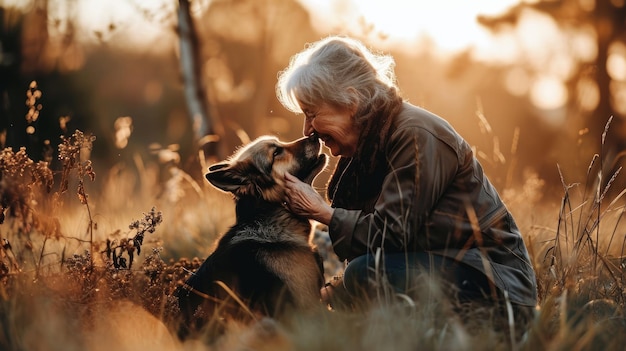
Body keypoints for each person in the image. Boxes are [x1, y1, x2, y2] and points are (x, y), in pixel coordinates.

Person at [276, 35, 537, 328]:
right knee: (348, 288)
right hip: (449, 268)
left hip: (498, 289)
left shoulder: (415, 135)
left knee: (364, 275)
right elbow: (395, 251)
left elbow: (391, 236)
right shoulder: (370, 144)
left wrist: (323, 212)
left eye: (311, 113)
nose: (307, 129)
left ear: (351, 100)